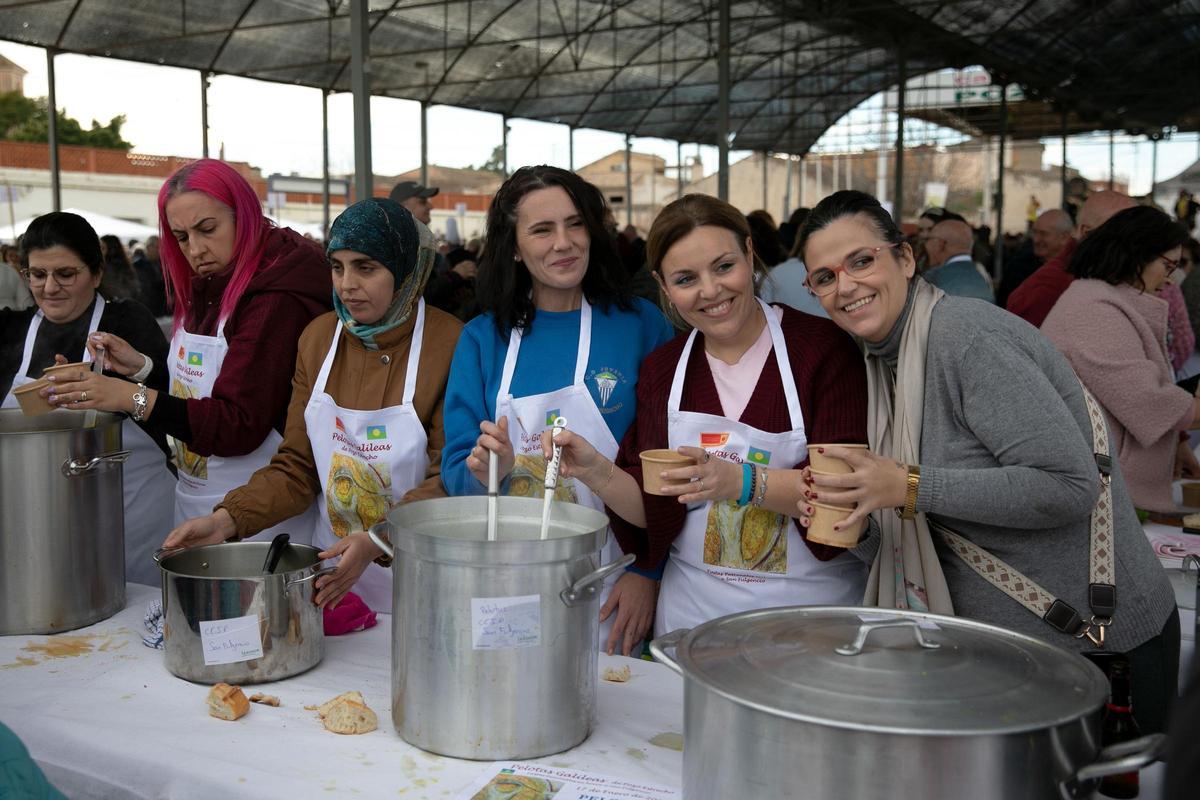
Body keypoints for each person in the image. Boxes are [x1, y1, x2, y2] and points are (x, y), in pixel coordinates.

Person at [797, 190, 1177, 734]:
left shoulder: (964, 336)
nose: (847, 286)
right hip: (998, 654)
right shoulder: (881, 364)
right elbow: (927, 531)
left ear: (905, 259)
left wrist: (905, 484)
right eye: (825, 277)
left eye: (862, 261)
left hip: (1095, 653)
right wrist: (855, 520)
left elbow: (1068, 485)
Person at [547, 194, 869, 639]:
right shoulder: (664, 370)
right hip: (692, 631)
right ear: (662, 284)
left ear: (750, 254)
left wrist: (739, 482)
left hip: (809, 630)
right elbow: (655, 511)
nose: (711, 291)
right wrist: (596, 471)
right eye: (686, 279)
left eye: (723, 267)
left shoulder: (822, 352)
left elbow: (844, 505)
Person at [164, 199, 459, 611]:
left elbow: (452, 479)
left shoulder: (452, 345)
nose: (347, 284)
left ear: (406, 269)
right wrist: (227, 519)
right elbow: (297, 467)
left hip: (422, 578)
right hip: (330, 577)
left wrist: (378, 539)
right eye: (337, 267)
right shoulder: (319, 339)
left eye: (366, 267)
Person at [441, 165, 674, 656]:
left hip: (616, 582)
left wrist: (648, 570)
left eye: (575, 224)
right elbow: (456, 474)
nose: (563, 243)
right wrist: (491, 471)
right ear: (513, 247)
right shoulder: (483, 339)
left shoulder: (640, 325)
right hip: (508, 582)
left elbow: (668, 468)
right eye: (542, 230)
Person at [47, 158, 332, 539]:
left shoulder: (274, 299)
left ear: (244, 216)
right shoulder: (209, 284)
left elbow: (238, 424)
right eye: (182, 237)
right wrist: (144, 371)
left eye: (207, 229)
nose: (195, 249)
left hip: (261, 522)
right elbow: (205, 394)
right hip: (197, 502)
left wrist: (129, 396)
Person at [0, 211, 174, 585]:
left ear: (95, 274)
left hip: (133, 518)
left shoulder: (127, 324)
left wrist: (132, 379)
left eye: (65, 274)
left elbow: (169, 402)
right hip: (40, 524)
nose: (49, 288)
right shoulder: (9, 333)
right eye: (37, 274)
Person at [1042, 206, 1197, 513]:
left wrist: (1176, 444)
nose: (1170, 280)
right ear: (1138, 254)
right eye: (1168, 266)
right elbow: (1148, 402)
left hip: (1109, 489)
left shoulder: (1096, 299)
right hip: (1104, 496)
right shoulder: (1095, 310)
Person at [1006, 191, 1136, 327]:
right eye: (1122, 234)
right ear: (1086, 232)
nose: (1137, 244)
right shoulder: (1049, 287)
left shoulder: (1101, 272)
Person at [759, 207, 829, 318]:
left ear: (798, 238)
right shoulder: (833, 271)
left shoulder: (776, 273)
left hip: (785, 333)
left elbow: (764, 312)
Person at [921, 219, 995, 302]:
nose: (925, 245)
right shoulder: (984, 277)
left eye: (928, 239)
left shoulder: (931, 279)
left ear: (940, 244)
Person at [131, 235, 168, 317]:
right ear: (148, 247)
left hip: (162, 310)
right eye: (158, 247)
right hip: (147, 310)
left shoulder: (162, 264)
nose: (161, 250)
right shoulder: (138, 265)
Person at [98, 234, 141, 302]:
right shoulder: (126, 266)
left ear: (111, 249)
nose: (99, 251)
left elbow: (127, 292)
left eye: (102, 248)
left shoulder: (107, 269)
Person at [0, 243, 33, 310]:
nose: (14, 258)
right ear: (5, 257)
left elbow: (26, 295)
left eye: (16, 256)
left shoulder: (26, 270)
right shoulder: (7, 271)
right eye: (10, 256)